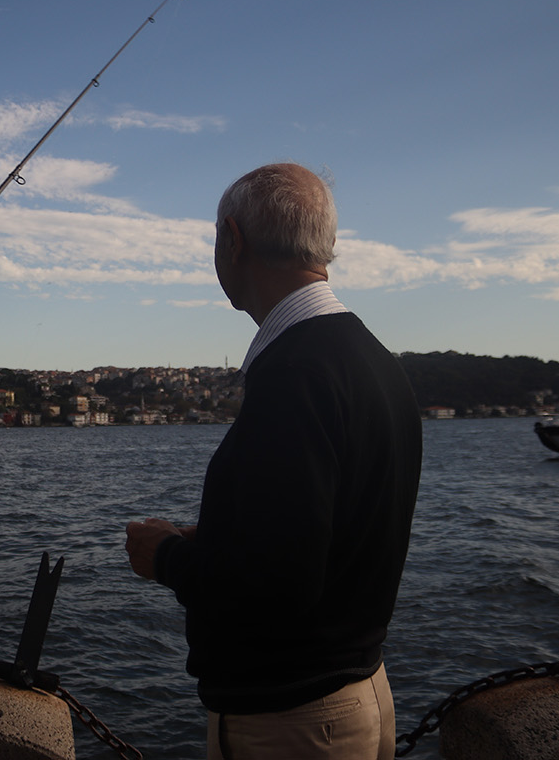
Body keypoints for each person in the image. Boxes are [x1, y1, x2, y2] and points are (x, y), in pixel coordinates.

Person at [125, 164, 422, 760]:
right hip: (359, 691)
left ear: (232, 241)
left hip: (296, 722)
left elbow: (274, 591)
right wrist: (222, 539)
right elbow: (326, 532)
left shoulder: (295, 377)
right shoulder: (373, 361)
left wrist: (169, 557)